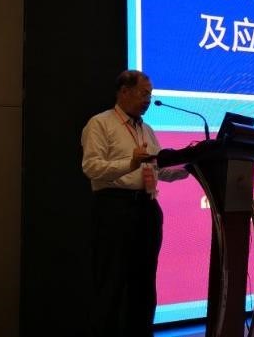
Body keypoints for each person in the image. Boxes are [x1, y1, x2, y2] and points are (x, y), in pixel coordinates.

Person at [81, 70, 190, 336]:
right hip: (115, 208)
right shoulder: (100, 123)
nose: (148, 100)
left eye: (150, 95)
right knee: (111, 282)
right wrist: (130, 162)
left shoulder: (146, 130)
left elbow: (159, 170)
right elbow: (92, 168)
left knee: (144, 282)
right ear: (124, 92)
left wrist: (190, 167)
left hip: (147, 208)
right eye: (143, 94)